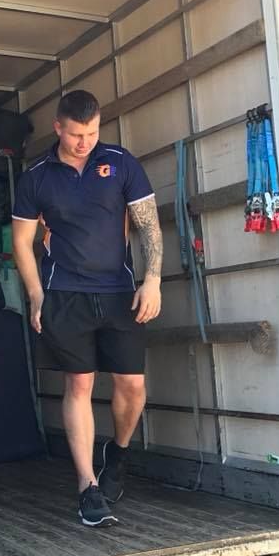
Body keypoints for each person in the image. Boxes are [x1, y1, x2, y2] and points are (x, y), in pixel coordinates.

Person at [12, 89, 162, 527]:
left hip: (120, 292)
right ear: (58, 127)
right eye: (77, 134)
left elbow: (148, 225)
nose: (85, 142)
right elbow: (21, 242)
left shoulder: (119, 161)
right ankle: (87, 487)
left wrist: (152, 280)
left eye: (92, 132)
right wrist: (37, 294)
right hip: (66, 295)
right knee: (79, 385)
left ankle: (116, 452)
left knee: (132, 385)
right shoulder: (36, 176)